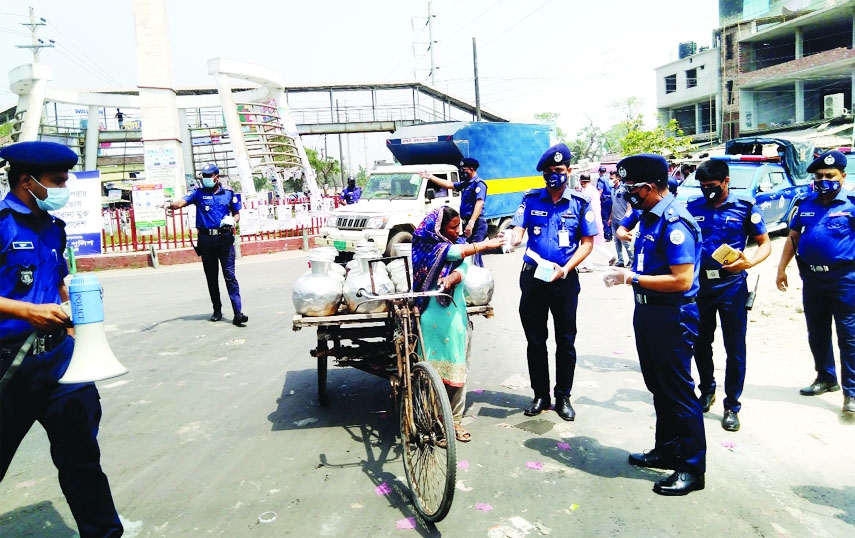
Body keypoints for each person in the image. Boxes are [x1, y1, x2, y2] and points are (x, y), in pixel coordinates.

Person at [0, 141, 124, 536]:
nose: (64, 187)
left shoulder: (54, 228)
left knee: (82, 461)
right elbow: (27, 302)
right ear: (27, 181)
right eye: (57, 180)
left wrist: (74, 307)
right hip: (8, 367)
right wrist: (25, 311)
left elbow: (52, 283)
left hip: (60, 364)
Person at [605, 153, 705, 496]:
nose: (627, 194)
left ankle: (692, 468)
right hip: (648, 313)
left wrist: (629, 278)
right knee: (658, 387)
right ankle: (666, 448)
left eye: (631, 189)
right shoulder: (648, 217)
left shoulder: (675, 222)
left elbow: (681, 280)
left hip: (672, 316)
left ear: (649, 187)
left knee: (678, 392)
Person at [507, 143, 596, 421]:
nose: (553, 175)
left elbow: (587, 243)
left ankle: (563, 396)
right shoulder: (531, 200)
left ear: (568, 171)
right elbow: (518, 230)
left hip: (564, 281)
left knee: (566, 341)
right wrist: (511, 239)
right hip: (533, 279)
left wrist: (567, 268)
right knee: (535, 340)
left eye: (558, 170)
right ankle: (540, 395)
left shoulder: (580, 203)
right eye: (548, 172)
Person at [687, 159, 771, 432]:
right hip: (702, 287)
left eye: (712, 186)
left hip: (732, 285)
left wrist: (749, 263)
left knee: (735, 347)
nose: (706, 191)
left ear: (726, 182)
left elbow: (765, 244)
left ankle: (732, 405)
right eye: (702, 187)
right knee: (701, 342)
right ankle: (707, 389)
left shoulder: (744, 207)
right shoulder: (693, 207)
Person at [411, 206, 502, 441]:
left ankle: (454, 423)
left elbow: (462, 264)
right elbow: (453, 253)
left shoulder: (456, 246)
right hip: (431, 319)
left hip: (457, 319)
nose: (457, 231)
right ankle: (429, 422)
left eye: (458, 226)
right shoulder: (428, 247)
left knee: (458, 372)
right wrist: (488, 244)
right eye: (453, 227)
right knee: (431, 375)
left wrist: (453, 277)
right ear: (438, 229)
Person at [776, 150, 855, 415]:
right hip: (812, 278)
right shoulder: (805, 203)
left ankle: (851, 393)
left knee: (849, 336)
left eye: (829, 175)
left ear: (842, 176)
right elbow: (793, 236)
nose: (824, 180)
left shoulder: (852, 204)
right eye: (819, 176)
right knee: (817, 332)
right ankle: (825, 378)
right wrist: (782, 268)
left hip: (845, 279)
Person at [163, 164, 248, 326]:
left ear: (217, 176)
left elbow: (237, 214)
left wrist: (232, 221)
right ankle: (217, 309)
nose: (207, 179)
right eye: (204, 176)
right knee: (211, 277)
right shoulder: (198, 193)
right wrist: (169, 205)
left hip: (224, 239)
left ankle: (238, 313)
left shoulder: (229, 194)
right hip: (206, 241)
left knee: (230, 276)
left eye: (209, 176)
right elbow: (181, 202)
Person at [419, 157, 487, 266]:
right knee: (469, 251)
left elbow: (480, 203)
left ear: (471, 169)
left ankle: (478, 276)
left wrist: (471, 223)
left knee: (475, 250)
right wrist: (430, 177)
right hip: (467, 222)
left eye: (464, 170)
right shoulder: (466, 183)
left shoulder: (479, 184)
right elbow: (450, 185)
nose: (462, 172)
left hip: (477, 223)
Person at [608, 169, 633, 267]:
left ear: (618, 178)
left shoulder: (623, 189)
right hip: (614, 218)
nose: (610, 180)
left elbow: (629, 203)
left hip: (622, 219)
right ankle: (620, 260)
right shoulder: (612, 190)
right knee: (616, 241)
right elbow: (613, 205)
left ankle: (631, 259)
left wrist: (626, 215)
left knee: (625, 241)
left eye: (612, 178)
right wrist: (610, 218)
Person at [597, 166, 613, 241]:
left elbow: (600, 190)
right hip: (611, 198)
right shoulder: (608, 178)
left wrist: (597, 199)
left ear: (600, 172)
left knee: (604, 218)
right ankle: (611, 233)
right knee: (610, 216)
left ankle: (607, 235)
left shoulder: (601, 179)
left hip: (605, 199)